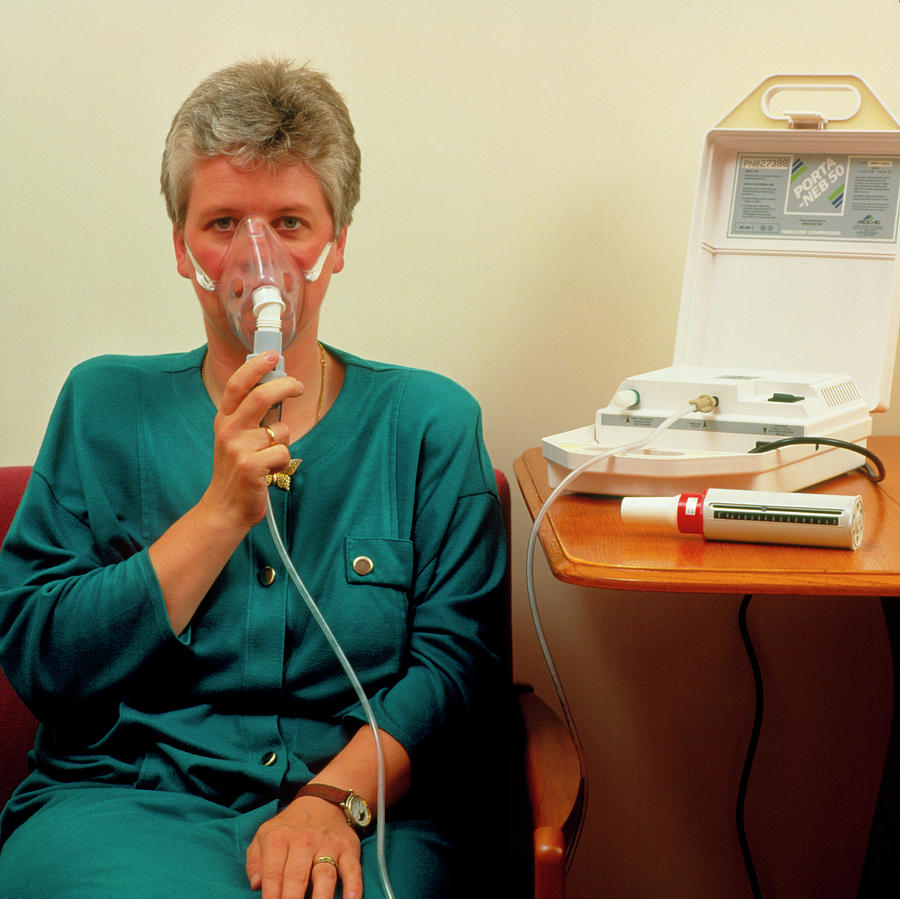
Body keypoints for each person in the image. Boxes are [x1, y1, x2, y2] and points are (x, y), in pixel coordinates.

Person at [0, 58, 507, 898]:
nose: (257, 257)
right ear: (181, 248)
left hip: (357, 814)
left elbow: (458, 674)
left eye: (291, 223)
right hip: (126, 807)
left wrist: (332, 798)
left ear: (337, 245)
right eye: (223, 221)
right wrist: (217, 514)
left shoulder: (427, 425)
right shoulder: (102, 405)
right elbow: (40, 657)